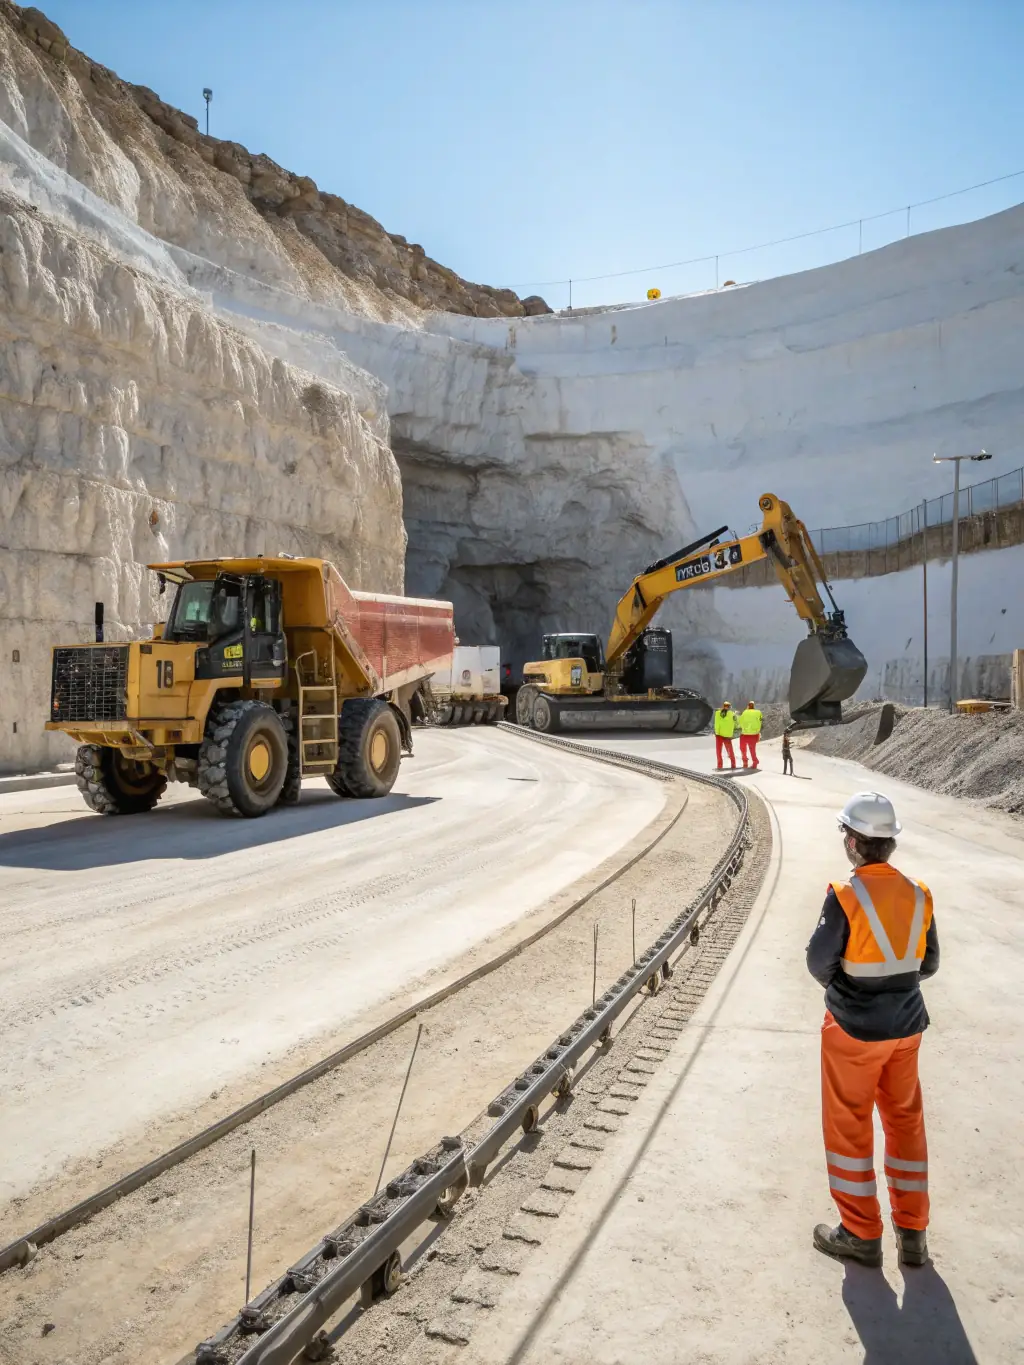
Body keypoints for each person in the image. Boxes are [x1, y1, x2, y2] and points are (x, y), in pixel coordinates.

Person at [806, 792, 939, 1269]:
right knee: (905, 1122)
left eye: (847, 833)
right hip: (906, 1027)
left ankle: (860, 1234)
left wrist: (849, 992)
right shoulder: (919, 893)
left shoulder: (845, 895)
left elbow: (818, 961)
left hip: (853, 1031)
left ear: (856, 843)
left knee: (849, 1125)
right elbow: (930, 963)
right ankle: (913, 1233)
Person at [738, 700, 763, 768]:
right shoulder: (758, 712)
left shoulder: (745, 712)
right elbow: (760, 721)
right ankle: (755, 762)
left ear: (748, 706)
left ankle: (745, 761)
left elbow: (740, 722)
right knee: (752, 750)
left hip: (745, 734)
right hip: (754, 734)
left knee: (742, 748)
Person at [713, 701, 737, 769]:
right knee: (730, 751)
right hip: (727, 735)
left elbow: (716, 723)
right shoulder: (732, 714)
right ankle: (733, 765)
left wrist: (716, 732)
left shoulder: (718, 713)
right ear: (729, 707)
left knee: (718, 752)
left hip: (719, 735)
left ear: (723, 706)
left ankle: (720, 766)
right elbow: (736, 722)